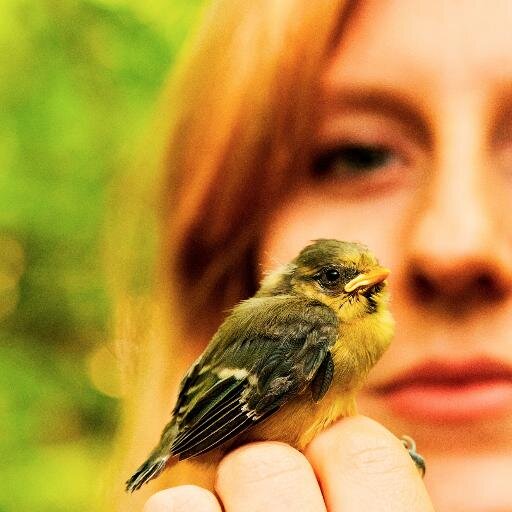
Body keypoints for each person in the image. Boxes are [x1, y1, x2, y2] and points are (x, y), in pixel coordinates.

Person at [108, 1, 512, 511]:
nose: (457, 245)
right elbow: (238, 405)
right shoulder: (310, 326)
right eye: (358, 154)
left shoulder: (354, 327)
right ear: (225, 254)